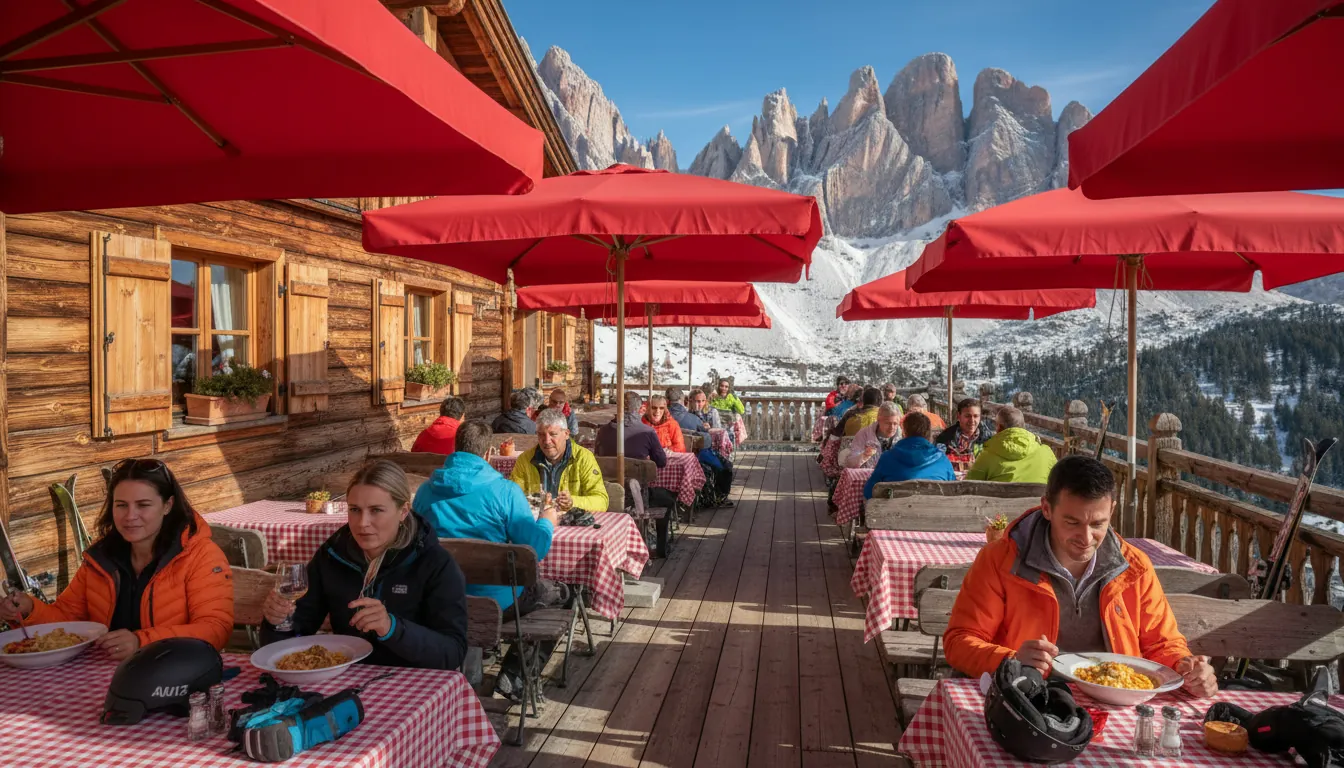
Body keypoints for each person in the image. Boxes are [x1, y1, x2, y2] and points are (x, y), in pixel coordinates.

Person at [943, 456, 1218, 698]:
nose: (1086, 539)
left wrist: (1185, 667)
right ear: (1047, 509)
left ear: (1112, 511)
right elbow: (959, 642)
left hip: (1116, 703)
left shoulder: (1135, 567)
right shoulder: (1000, 560)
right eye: (1072, 522)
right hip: (1027, 699)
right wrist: (1011, 659)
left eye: (1098, 524)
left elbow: (1162, 643)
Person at [0, 458, 234, 659]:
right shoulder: (101, 557)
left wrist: (141, 642)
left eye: (143, 505)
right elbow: (67, 620)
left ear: (167, 505)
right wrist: (30, 610)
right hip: (98, 676)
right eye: (121, 505)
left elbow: (215, 630)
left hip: (174, 675)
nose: (130, 516)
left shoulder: (200, 555)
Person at [262, 459, 468, 670]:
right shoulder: (333, 554)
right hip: (344, 679)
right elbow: (292, 641)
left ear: (403, 511)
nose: (362, 523)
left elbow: (452, 653)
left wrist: (392, 628)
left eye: (376, 510)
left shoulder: (434, 563)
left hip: (415, 684)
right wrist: (278, 622)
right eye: (355, 510)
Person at [413, 420, 561, 698]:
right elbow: (533, 551)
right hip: (495, 603)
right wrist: (547, 521)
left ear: (456, 448)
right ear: (489, 453)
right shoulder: (505, 491)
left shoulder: (425, 492)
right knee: (556, 596)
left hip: (437, 598)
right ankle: (514, 675)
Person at [512, 408, 610, 513]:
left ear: (566, 434)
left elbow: (601, 501)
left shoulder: (583, 458)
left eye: (553, 434)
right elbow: (512, 497)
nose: (547, 441)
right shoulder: (525, 459)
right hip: (535, 521)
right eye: (541, 434)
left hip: (572, 524)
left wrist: (573, 502)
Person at [863, 412, 956, 498]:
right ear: (929, 433)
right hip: (936, 514)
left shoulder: (887, 458)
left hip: (895, 514)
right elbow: (954, 492)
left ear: (904, 432)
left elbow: (868, 492)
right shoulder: (942, 460)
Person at [966, 406, 1058, 483]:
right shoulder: (1046, 453)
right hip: (1040, 504)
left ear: (999, 428)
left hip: (1000, 505)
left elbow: (969, 486)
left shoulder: (987, 456)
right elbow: (1059, 484)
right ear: (1023, 427)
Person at [597, 392, 667, 468]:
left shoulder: (603, 431)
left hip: (606, 477)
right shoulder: (648, 432)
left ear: (617, 407)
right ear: (640, 409)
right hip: (638, 478)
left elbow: (597, 456)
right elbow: (661, 462)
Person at [841, 401, 902, 468]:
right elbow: (850, 464)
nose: (892, 427)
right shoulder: (864, 434)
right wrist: (864, 456)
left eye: (895, 423)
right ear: (878, 420)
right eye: (888, 423)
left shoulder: (903, 435)